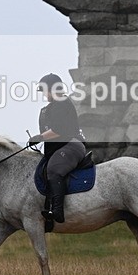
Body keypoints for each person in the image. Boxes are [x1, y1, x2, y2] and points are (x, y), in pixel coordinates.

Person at [28, 73, 86, 224]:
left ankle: (57, 211)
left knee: (53, 170)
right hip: (60, 148)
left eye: (44, 91)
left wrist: (40, 137)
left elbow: (60, 130)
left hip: (71, 145)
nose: (44, 94)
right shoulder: (50, 108)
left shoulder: (62, 103)